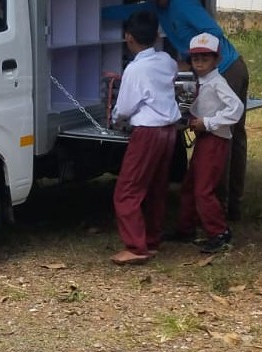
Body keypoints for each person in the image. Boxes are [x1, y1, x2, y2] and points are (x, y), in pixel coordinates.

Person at [102, 0, 250, 221]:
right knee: (221, 139)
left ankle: (222, 209)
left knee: (223, 138)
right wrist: (97, 13)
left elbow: (214, 32)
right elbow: (126, 11)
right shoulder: (155, 8)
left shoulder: (184, 5)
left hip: (226, 69)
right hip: (207, 71)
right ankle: (220, 206)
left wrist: (196, 61)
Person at [109, 10, 182, 265]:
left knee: (127, 191)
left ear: (128, 37)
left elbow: (124, 108)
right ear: (156, 35)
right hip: (169, 131)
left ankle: (135, 247)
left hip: (147, 132)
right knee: (156, 187)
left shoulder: (135, 69)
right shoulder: (166, 60)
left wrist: (115, 119)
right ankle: (152, 239)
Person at [171, 32, 243, 253]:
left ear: (216, 60)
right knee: (190, 184)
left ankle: (219, 232)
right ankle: (186, 227)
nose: (200, 63)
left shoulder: (217, 83)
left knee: (203, 189)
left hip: (215, 140)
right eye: (196, 58)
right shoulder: (197, 81)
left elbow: (237, 108)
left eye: (205, 58)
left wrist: (209, 122)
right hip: (203, 138)